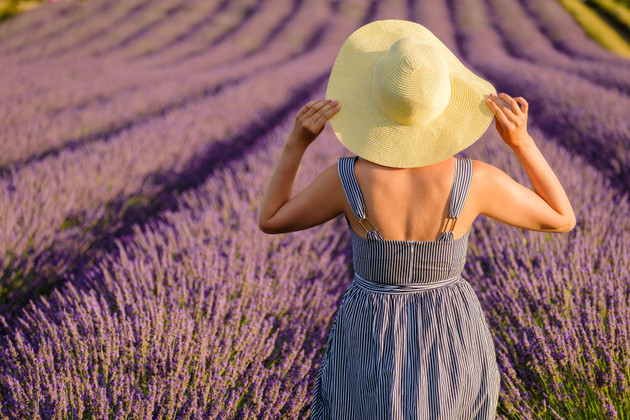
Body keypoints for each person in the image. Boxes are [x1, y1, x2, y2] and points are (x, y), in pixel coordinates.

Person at [258, 19, 575, 420]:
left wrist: (295, 144)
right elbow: (562, 218)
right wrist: (521, 143)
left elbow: (270, 219)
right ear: (443, 103)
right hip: (449, 328)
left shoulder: (347, 178)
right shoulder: (474, 179)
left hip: (370, 330)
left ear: (374, 101)